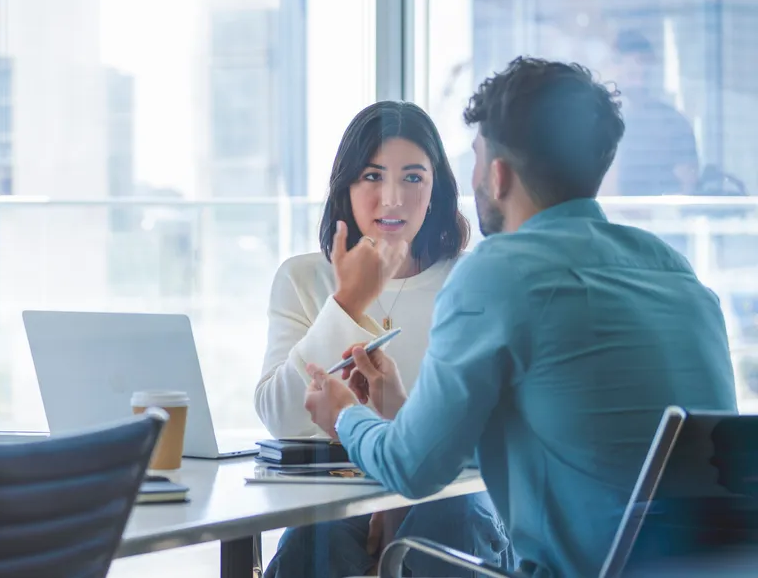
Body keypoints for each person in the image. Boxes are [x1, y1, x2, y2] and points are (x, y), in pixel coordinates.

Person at [302, 57, 737, 577]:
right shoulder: (677, 273)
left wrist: (345, 414)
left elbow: (410, 470)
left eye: (478, 158)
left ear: (498, 175)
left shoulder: (498, 273)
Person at [255, 101, 511, 577]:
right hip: (338, 500)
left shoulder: (472, 279)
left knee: (450, 521)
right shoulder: (303, 277)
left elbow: (491, 432)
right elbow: (283, 420)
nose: (391, 198)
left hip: (455, 497)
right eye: (372, 177)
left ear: (435, 191)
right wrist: (347, 304)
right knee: (319, 536)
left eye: (413, 178)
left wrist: (398, 494)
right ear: (346, 187)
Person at [606, 29, 699, 196]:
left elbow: (688, 186)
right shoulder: (596, 122)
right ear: (613, 68)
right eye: (626, 65)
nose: (636, 69)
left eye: (641, 63)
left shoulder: (673, 122)